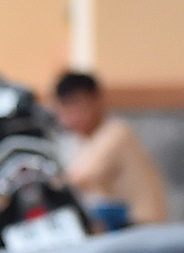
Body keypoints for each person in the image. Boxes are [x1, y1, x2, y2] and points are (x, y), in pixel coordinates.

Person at [52, 71, 169, 228]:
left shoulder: (116, 132)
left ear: (96, 101)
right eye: (66, 109)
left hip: (142, 227)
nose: (71, 116)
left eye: (77, 106)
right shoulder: (87, 139)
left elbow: (79, 178)